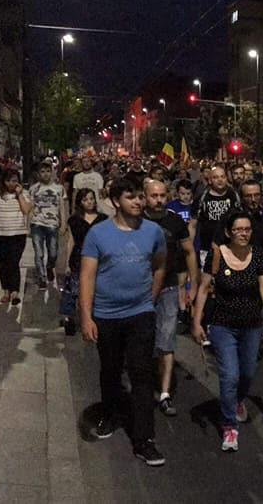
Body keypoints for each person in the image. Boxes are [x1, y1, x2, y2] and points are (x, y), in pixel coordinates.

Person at [79, 177, 167, 466]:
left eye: (141, 197)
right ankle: (111, 413)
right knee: (111, 370)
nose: (139, 202)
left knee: (142, 375)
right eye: (132, 197)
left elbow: (159, 266)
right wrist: (86, 316)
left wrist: (149, 300)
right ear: (116, 201)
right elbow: (88, 276)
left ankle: (144, 440)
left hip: (140, 313)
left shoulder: (153, 231)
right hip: (106, 315)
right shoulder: (98, 233)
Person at [192, 211, 263, 451]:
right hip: (222, 324)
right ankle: (229, 426)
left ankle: (237, 400)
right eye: (238, 229)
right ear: (228, 232)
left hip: (251, 325)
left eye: (247, 229)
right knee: (229, 376)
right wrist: (197, 322)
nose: (243, 234)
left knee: (247, 373)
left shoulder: (257, 254)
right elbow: (204, 288)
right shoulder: (218, 254)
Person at [143, 181, 199, 417]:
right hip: (139, 290)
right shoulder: (136, 220)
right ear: (145, 197)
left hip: (168, 289)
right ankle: (144, 383)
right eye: (153, 195)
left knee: (166, 340)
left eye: (162, 195)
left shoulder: (175, 222)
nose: (158, 199)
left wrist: (192, 285)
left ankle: (164, 392)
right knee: (143, 339)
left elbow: (188, 252)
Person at [0, 170, 32, 305]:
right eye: (8, 180)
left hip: (17, 234)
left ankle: (14, 291)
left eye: (14, 180)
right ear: (3, 181)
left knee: (14, 262)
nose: (11, 183)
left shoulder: (24, 193)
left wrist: (19, 194)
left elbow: (26, 210)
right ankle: (5, 291)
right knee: (2, 263)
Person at [60, 188, 107, 333]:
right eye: (86, 199)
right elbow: (71, 241)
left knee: (98, 288)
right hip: (79, 256)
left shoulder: (103, 219)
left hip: (98, 257)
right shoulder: (74, 220)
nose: (90, 202)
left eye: (92, 198)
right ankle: (71, 318)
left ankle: (96, 318)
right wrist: (67, 262)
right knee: (74, 289)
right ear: (80, 202)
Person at [189, 166, 240, 268]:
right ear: (210, 180)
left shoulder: (234, 195)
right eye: (216, 177)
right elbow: (192, 225)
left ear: (226, 178)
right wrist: (190, 249)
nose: (220, 180)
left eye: (222, 176)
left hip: (230, 248)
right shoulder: (202, 198)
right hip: (207, 247)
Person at [28, 162, 67, 290]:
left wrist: (63, 224)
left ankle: (50, 267)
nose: (45, 174)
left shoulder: (59, 188)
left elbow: (62, 207)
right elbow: (30, 207)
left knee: (53, 253)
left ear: (52, 172)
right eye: (42, 171)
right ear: (38, 174)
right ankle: (42, 278)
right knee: (39, 253)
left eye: (48, 171)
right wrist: (27, 224)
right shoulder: (33, 188)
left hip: (53, 224)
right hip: (37, 224)